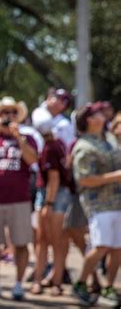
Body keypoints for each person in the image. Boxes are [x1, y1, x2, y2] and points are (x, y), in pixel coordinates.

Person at [0, 96, 38, 300]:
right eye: (4, 113)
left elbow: (32, 160)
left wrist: (19, 138)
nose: (8, 117)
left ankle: (19, 284)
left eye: (12, 113)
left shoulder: (26, 137)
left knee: (22, 243)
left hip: (19, 199)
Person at [71, 104, 121, 307]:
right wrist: (115, 177)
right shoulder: (84, 146)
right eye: (97, 114)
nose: (102, 116)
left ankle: (109, 286)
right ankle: (81, 283)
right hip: (99, 204)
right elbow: (83, 179)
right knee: (101, 246)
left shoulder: (108, 140)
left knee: (117, 248)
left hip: (117, 202)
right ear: (89, 120)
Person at [31, 110, 71, 296]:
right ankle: (48, 280)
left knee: (51, 241)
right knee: (48, 241)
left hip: (53, 195)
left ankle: (54, 281)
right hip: (53, 194)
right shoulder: (58, 143)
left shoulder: (49, 147)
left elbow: (53, 179)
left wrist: (48, 203)